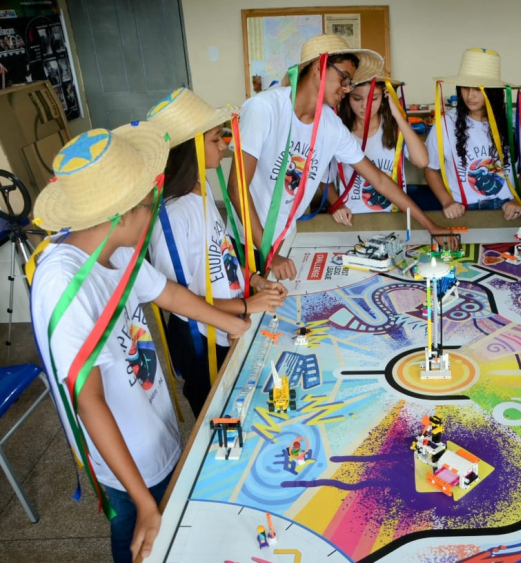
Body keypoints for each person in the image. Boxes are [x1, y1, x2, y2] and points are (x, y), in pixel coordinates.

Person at [29, 124, 251, 562]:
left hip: (153, 430)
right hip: (124, 460)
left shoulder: (118, 248)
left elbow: (166, 293)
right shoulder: (63, 283)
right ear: (121, 213)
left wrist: (239, 321)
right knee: (137, 531)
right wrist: (144, 500)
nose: (154, 214)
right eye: (149, 206)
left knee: (166, 521)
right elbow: (88, 401)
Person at [228, 34, 449, 281]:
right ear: (319, 66)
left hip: (284, 239)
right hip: (248, 241)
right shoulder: (264, 108)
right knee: (247, 313)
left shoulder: (331, 125)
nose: (346, 88)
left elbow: (379, 180)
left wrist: (431, 226)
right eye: (343, 78)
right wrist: (269, 253)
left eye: (349, 82)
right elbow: (236, 186)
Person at [147, 88, 287, 417]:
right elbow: (179, 299)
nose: (224, 145)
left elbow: (219, 252)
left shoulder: (203, 187)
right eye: (215, 139)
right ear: (189, 148)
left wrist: (252, 280)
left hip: (229, 322)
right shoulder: (172, 215)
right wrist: (244, 304)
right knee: (217, 418)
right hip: (201, 342)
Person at [425, 48, 521, 221]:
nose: (470, 96)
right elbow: (430, 168)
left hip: (506, 208)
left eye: (478, 89)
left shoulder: (515, 122)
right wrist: (447, 202)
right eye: (465, 88)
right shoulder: (445, 124)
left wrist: (519, 198)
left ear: (493, 91)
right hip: (462, 210)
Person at [328, 72, 428, 224]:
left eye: (374, 99)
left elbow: (422, 161)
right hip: (353, 219)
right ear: (347, 97)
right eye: (357, 98)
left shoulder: (394, 130)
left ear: (384, 97)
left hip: (394, 218)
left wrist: (398, 116)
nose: (365, 106)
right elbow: (324, 181)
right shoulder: (340, 132)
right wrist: (338, 205)